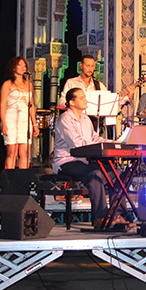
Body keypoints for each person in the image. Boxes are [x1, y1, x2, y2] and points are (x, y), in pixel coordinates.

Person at [52, 87, 126, 230]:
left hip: (84, 160)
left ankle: (116, 215)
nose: (85, 100)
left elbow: (93, 138)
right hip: (66, 161)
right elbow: (77, 145)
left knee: (117, 174)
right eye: (81, 97)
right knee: (95, 174)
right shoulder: (65, 119)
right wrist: (99, 145)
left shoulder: (85, 118)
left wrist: (110, 143)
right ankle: (100, 218)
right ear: (72, 102)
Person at [0, 57, 38, 170]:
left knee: (25, 152)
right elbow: (2, 105)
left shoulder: (29, 84)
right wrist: (4, 124)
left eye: (24, 65)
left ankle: (23, 179)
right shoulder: (7, 84)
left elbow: (31, 105)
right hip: (11, 119)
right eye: (20, 65)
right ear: (14, 67)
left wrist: (34, 124)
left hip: (25, 120)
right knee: (12, 151)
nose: (23, 67)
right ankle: (9, 179)